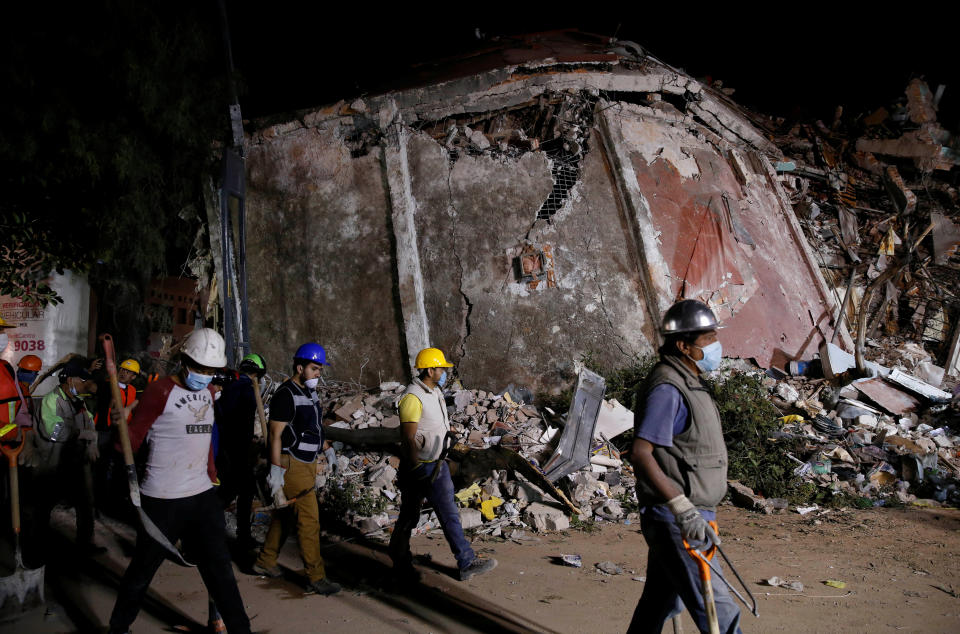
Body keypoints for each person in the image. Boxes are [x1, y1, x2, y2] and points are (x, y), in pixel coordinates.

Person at [107, 328, 251, 634]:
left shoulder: (210, 391)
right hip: (163, 497)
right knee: (142, 570)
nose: (203, 375)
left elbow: (205, 441)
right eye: (198, 368)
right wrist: (122, 425)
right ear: (184, 361)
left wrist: (212, 477)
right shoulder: (159, 392)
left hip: (201, 495)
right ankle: (118, 629)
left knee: (220, 571)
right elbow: (129, 444)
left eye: (209, 370)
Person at [627, 299, 741, 634]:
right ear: (683, 345)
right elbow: (641, 452)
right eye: (708, 341)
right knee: (720, 611)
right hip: (679, 518)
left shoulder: (687, 380)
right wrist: (682, 508)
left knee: (660, 601)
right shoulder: (668, 388)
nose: (715, 346)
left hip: (687, 515)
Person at [389, 347, 497, 582]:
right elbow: (407, 438)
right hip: (422, 467)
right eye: (441, 368)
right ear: (430, 369)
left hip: (436, 463)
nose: (444, 372)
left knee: (417, 514)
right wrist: (417, 467)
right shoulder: (412, 397)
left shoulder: (434, 391)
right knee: (434, 514)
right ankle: (465, 562)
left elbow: (434, 422)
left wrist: (448, 432)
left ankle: (400, 558)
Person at [252, 343, 340, 595]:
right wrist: (276, 475)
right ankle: (316, 576)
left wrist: (327, 449)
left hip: (307, 461)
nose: (318, 374)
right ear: (299, 367)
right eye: (314, 368)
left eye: (320, 369)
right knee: (309, 520)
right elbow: (276, 435)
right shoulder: (285, 394)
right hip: (291, 464)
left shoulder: (309, 392)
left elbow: (312, 427)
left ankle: (265, 561)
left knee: (286, 516)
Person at [33, 358, 102, 555]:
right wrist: (80, 434)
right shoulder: (51, 400)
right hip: (53, 463)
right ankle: (38, 547)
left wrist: (92, 442)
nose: (86, 384)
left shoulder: (79, 402)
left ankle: (85, 545)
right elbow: (52, 431)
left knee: (86, 504)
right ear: (70, 380)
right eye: (83, 380)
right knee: (45, 505)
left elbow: (89, 423)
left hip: (77, 462)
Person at [215, 352, 266, 550]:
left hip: (225, 445)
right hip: (237, 448)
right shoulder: (247, 388)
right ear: (257, 374)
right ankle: (239, 537)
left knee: (235, 488)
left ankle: (237, 535)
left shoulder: (228, 386)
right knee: (240, 490)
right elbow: (241, 420)